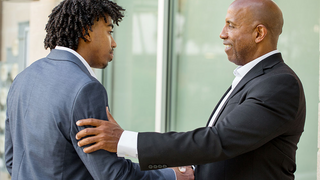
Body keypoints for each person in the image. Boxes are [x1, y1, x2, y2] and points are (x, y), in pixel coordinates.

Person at [75, 0, 306, 179]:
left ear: (259, 34)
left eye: (231, 25)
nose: (222, 33)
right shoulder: (256, 78)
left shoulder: (279, 84)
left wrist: (124, 140)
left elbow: (218, 141)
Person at [4, 0, 194, 179]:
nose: (114, 43)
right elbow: (112, 175)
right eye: (109, 31)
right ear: (86, 31)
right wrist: (173, 175)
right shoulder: (85, 89)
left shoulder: (23, 77)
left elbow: (12, 161)